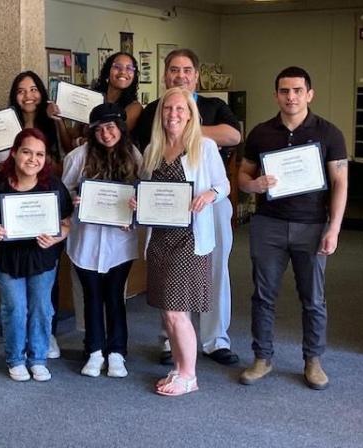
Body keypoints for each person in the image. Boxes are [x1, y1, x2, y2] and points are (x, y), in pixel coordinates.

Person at [238, 66, 348, 390]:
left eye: (298, 90)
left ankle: (313, 361)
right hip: (268, 225)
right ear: (276, 95)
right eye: (285, 91)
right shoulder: (261, 133)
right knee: (263, 296)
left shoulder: (329, 133)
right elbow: (243, 178)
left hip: (312, 226)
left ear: (309, 94)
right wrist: (253, 185)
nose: (291, 96)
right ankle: (262, 358)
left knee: (313, 297)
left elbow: (340, 182)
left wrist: (335, 228)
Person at [135, 48, 241, 366]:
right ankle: (172, 342)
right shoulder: (153, 113)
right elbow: (144, 163)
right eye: (173, 70)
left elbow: (233, 135)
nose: (180, 75)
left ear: (196, 75)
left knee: (212, 270)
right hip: (164, 216)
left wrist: (187, 130)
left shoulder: (213, 107)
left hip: (206, 206)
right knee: (170, 287)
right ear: (165, 74)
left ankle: (213, 340)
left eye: (186, 70)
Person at [0, 128, 73, 382]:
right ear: (15, 153)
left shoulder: (53, 185)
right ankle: (16, 358)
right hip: (5, 256)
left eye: (39, 154)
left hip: (41, 256)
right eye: (27, 152)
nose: (33, 159)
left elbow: (66, 223)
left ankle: (38, 358)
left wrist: (56, 237)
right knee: (15, 308)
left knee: (41, 307)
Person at [61, 103, 142, 378]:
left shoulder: (134, 156)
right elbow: (64, 191)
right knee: (92, 295)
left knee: (115, 295)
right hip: (86, 238)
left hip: (120, 239)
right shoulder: (78, 157)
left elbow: (145, 193)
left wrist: (136, 205)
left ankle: (117, 351)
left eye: (111, 128)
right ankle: (94, 349)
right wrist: (74, 200)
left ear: (120, 128)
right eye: (99, 129)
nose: (106, 134)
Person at [0, 70, 72, 174]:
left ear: (41, 92)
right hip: (14, 188)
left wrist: (59, 120)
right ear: (14, 96)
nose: (28, 96)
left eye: (33, 89)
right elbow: (2, 173)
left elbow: (69, 159)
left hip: (48, 187)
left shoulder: (53, 122)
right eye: (21, 91)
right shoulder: (6, 125)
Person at [94, 52, 143, 133]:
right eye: (117, 66)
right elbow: (72, 138)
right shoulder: (93, 98)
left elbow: (110, 138)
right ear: (108, 71)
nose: (123, 72)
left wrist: (78, 141)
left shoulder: (135, 108)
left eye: (129, 68)